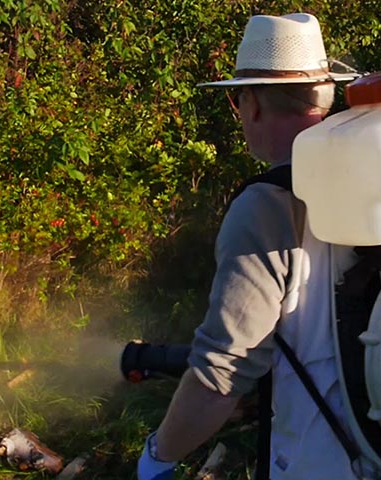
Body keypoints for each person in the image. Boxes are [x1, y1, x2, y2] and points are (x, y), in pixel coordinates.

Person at [138, 13, 365, 480]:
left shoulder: (265, 207)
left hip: (326, 460)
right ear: (325, 93)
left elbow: (221, 376)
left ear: (252, 103)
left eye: (236, 101)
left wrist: (156, 458)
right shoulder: (367, 168)